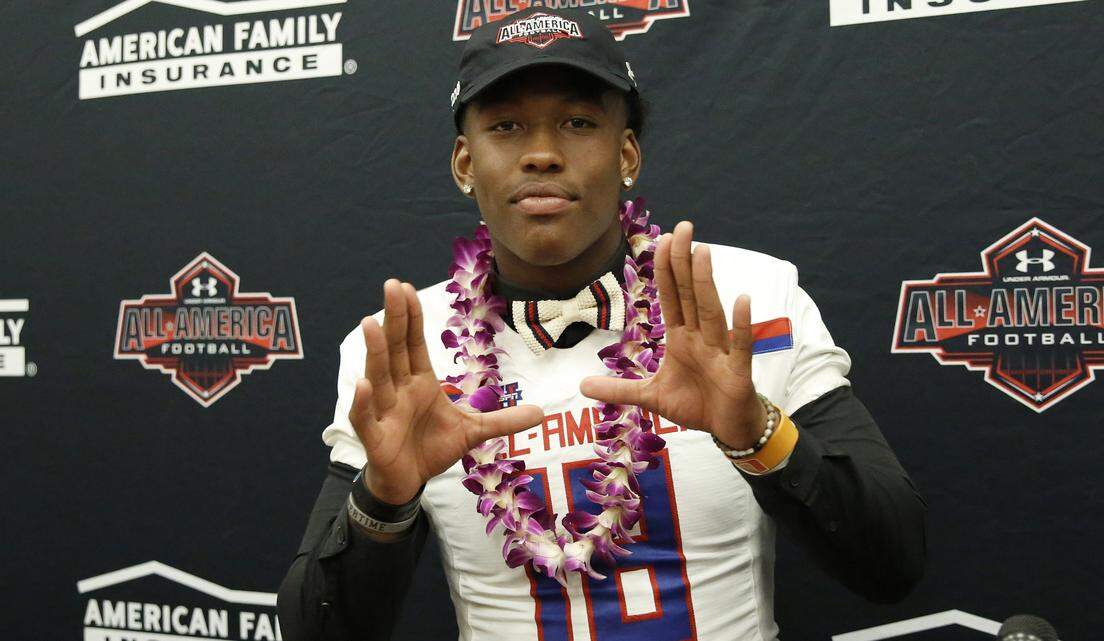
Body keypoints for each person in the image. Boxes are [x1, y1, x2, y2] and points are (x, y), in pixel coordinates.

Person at [277, 7, 926, 641]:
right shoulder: (404, 347)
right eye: (505, 126)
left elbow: (894, 563)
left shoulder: (745, 299)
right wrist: (384, 499)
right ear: (464, 163)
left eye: (577, 121)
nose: (541, 154)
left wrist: (757, 434)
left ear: (627, 155)